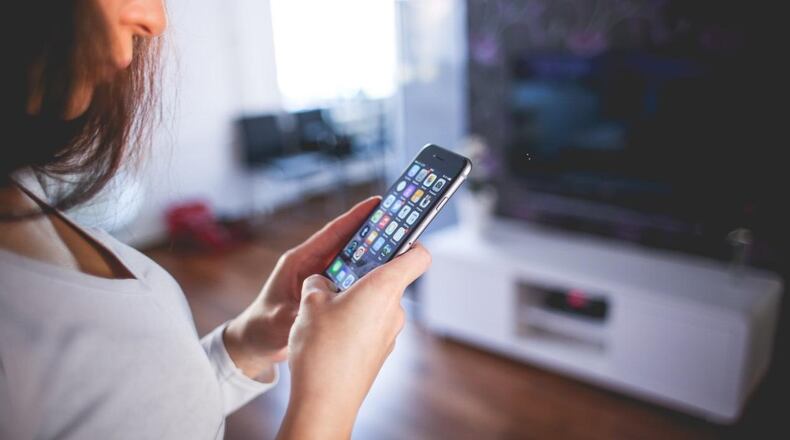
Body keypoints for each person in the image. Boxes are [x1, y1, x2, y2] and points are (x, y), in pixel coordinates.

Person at [0, 1, 431, 439]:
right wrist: (330, 398)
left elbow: (148, 412)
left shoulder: (21, 203)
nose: (156, 19)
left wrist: (249, 340)